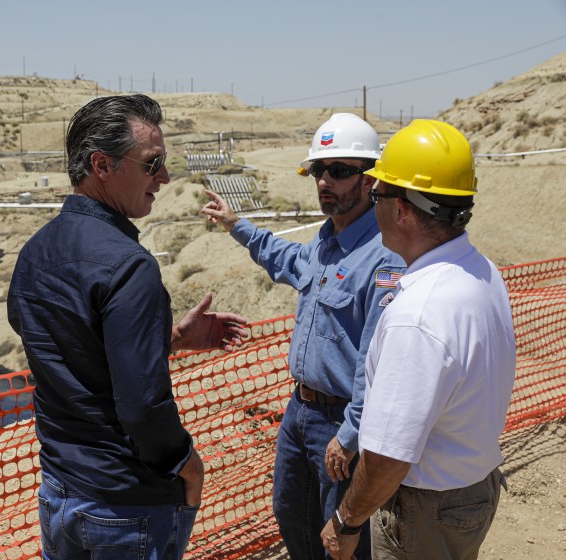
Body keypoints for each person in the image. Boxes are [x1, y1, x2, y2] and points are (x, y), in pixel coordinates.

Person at [7, 94, 248, 560]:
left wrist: (171, 339)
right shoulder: (128, 266)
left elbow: (74, 356)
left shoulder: (35, 251)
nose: (165, 177)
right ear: (102, 164)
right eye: (152, 163)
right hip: (125, 507)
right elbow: (140, 407)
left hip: (59, 493)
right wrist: (187, 465)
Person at [202, 113, 405, 559]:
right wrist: (238, 226)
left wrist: (350, 436)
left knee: (342, 539)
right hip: (299, 413)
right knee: (292, 517)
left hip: (339, 424)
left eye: (339, 171)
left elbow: (380, 361)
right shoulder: (326, 240)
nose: (324, 182)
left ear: (370, 179)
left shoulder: (385, 258)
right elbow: (289, 260)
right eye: (318, 170)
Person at [320, 120, 516, 560]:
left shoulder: (418, 314)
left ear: (403, 209)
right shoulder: (480, 270)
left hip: (427, 507)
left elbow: (389, 456)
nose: (374, 207)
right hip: (472, 489)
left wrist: (345, 521)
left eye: (378, 196)